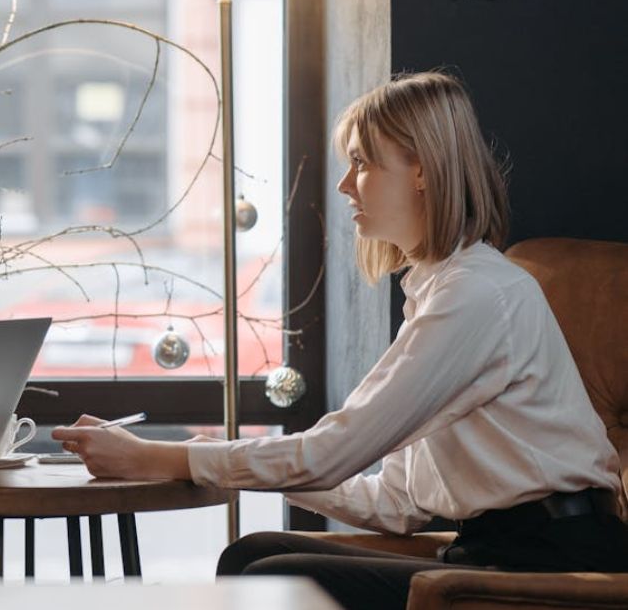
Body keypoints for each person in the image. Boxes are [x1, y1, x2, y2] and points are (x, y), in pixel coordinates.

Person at [52, 71, 628, 609]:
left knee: (267, 575)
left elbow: (331, 453)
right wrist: (207, 458)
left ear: (422, 168)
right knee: (254, 554)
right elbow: (396, 504)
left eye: (361, 163)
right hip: (489, 549)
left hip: (552, 560)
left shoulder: (476, 296)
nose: (345, 184)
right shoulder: (439, 291)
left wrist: (168, 456)